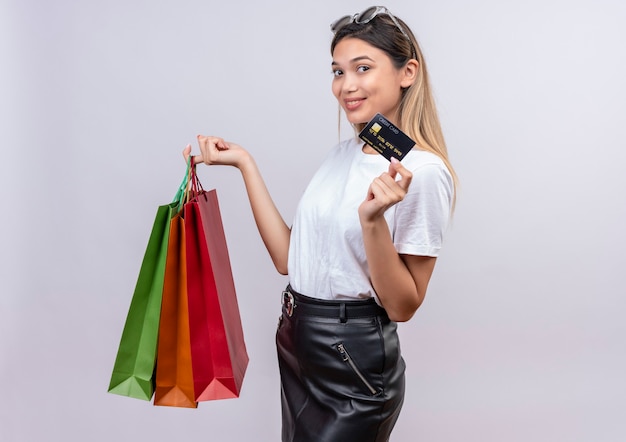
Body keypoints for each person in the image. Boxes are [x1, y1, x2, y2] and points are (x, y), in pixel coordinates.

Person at [184, 6, 457, 442]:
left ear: (407, 72)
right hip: (298, 340)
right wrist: (245, 164)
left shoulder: (422, 171)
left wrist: (372, 224)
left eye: (362, 68)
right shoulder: (340, 156)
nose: (346, 86)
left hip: (352, 358)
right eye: (337, 71)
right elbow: (287, 260)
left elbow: (404, 306)